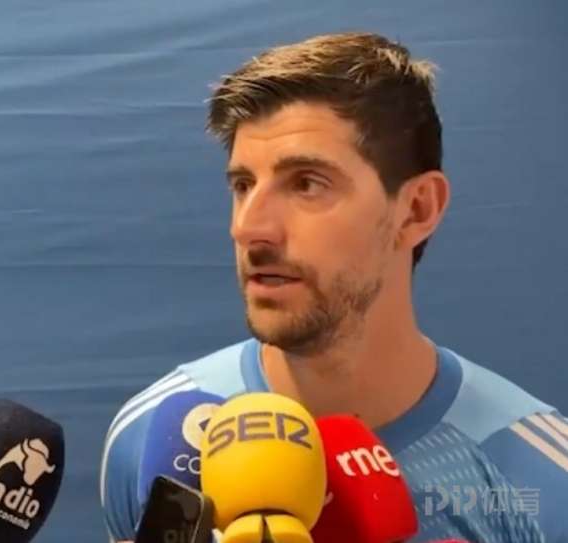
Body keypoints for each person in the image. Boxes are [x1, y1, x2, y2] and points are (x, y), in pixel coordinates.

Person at [100, 32, 568, 542]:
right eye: (242, 185)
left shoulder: (540, 475)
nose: (248, 227)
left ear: (416, 210)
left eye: (306, 183)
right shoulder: (153, 441)